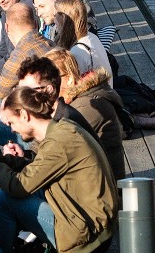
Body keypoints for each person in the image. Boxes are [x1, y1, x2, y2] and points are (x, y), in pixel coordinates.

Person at [0, 86, 118, 253]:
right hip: (91, 225)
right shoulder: (62, 130)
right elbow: (37, 170)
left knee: (6, 199)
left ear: (24, 115)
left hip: (88, 237)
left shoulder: (59, 142)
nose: (11, 129)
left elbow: (19, 186)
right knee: (8, 198)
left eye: (11, 122)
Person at [51, 47, 128, 179]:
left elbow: (57, 150)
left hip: (102, 190)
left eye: (50, 79)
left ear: (69, 79)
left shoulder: (87, 106)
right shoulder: (72, 102)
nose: (46, 86)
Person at [54, 0, 113, 74]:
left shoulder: (77, 52)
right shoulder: (91, 36)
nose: (54, 20)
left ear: (64, 19)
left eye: (55, 16)